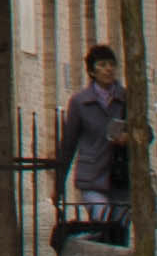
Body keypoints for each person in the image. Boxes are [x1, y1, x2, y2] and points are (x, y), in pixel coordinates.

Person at [54, 44, 129, 238]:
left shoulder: (127, 98)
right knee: (102, 224)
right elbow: (68, 144)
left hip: (120, 177)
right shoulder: (80, 102)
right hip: (93, 177)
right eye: (102, 65)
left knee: (120, 231)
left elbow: (147, 132)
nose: (108, 69)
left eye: (112, 64)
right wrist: (58, 183)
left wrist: (132, 138)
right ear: (92, 71)